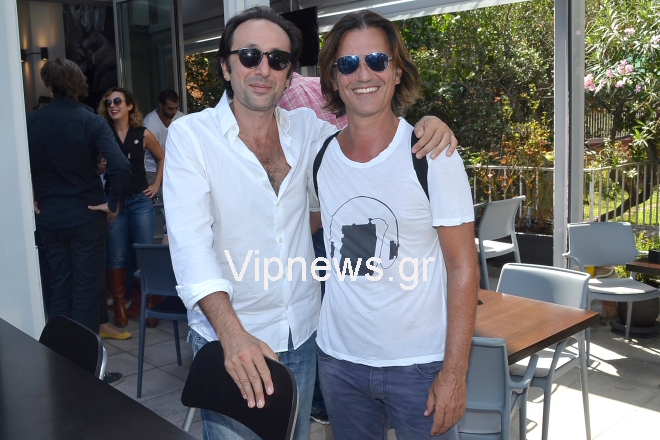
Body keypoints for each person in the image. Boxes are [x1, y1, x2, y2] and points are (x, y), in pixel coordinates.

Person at [164, 6, 455, 440]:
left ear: (290, 75)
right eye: (250, 56)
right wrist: (233, 336)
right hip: (232, 340)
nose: (263, 69)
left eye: (278, 59)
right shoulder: (191, 137)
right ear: (225, 66)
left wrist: (427, 126)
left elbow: (368, 141)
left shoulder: (310, 132)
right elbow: (190, 247)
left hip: (302, 335)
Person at [312, 11, 479, 439]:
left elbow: (463, 266)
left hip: (419, 366)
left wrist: (454, 373)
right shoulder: (322, 157)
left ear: (397, 71)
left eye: (376, 60)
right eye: (348, 64)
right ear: (333, 78)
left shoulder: (432, 155)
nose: (363, 74)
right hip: (339, 361)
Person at [27, 58, 130, 385]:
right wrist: (112, 202)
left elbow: (17, 162)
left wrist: (30, 196)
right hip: (86, 215)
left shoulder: (32, 122)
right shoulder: (90, 121)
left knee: (60, 289)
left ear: (49, 85)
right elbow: (121, 166)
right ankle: (86, 375)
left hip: (50, 217)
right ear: (78, 84)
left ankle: (58, 366)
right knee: (86, 292)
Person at [96, 87, 165, 328]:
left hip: (140, 199)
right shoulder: (103, 135)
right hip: (114, 202)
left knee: (144, 251)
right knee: (116, 254)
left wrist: (156, 184)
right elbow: (97, 168)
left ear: (129, 106)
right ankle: (120, 306)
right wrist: (100, 167)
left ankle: (150, 303)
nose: (112, 106)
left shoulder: (143, 134)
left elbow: (162, 157)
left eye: (117, 101)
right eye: (108, 103)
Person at [143, 89, 184, 199]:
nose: (174, 112)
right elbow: (158, 156)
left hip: (174, 169)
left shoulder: (181, 119)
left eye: (176, 108)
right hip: (152, 170)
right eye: (170, 108)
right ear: (161, 105)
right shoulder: (149, 124)